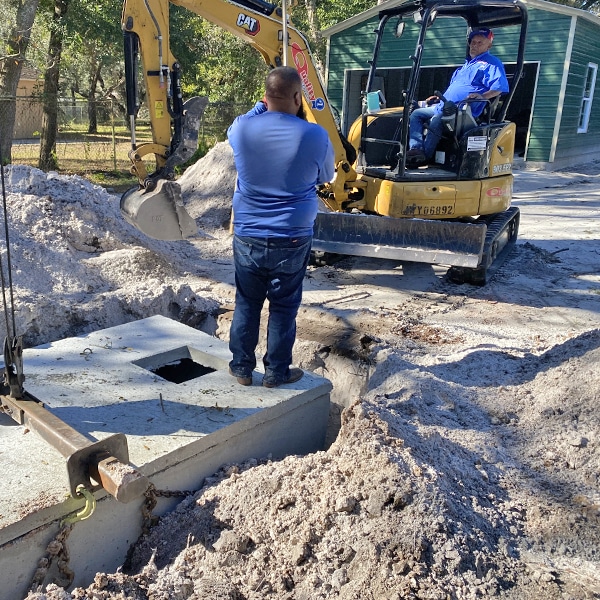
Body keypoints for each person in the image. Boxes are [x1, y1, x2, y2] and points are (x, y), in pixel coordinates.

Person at [226, 66, 335, 388]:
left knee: (247, 301)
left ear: (265, 96)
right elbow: (326, 177)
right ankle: (276, 372)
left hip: (248, 233)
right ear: (298, 97)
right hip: (292, 235)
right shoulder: (314, 135)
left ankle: (242, 368)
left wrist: (263, 105)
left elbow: (248, 117)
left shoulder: (242, 130)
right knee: (284, 306)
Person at [407, 27, 509, 165]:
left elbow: (499, 88)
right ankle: (416, 149)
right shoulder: (465, 66)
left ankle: (424, 157)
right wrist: (438, 99)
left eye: (480, 43)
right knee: (416, 114)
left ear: (489, 45)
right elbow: (455, 89)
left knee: (438, 120)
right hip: (444, 106)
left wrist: (482, 95)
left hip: (463, 111)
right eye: (473, 42)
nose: (475, 45)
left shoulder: (492, 63)